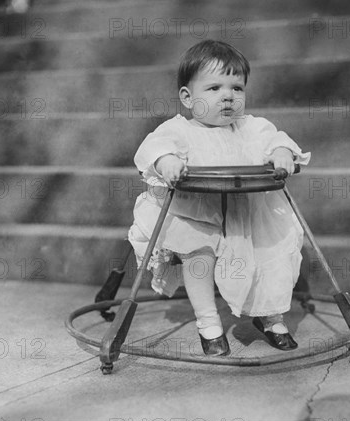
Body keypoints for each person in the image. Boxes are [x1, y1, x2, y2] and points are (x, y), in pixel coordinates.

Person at [128, 40, 311, 356]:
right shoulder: (179, 129)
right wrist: (167, 161)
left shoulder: (251, 127)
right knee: (198, 255)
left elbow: (276, 139)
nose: (228, 96)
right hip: (197, 212)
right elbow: (154, 146)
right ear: (188, 98)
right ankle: (208, 322)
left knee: (269, 254)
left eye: (237, 88)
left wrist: (282, 152)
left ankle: (270, 317)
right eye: (213, 88)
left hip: (246, 212)